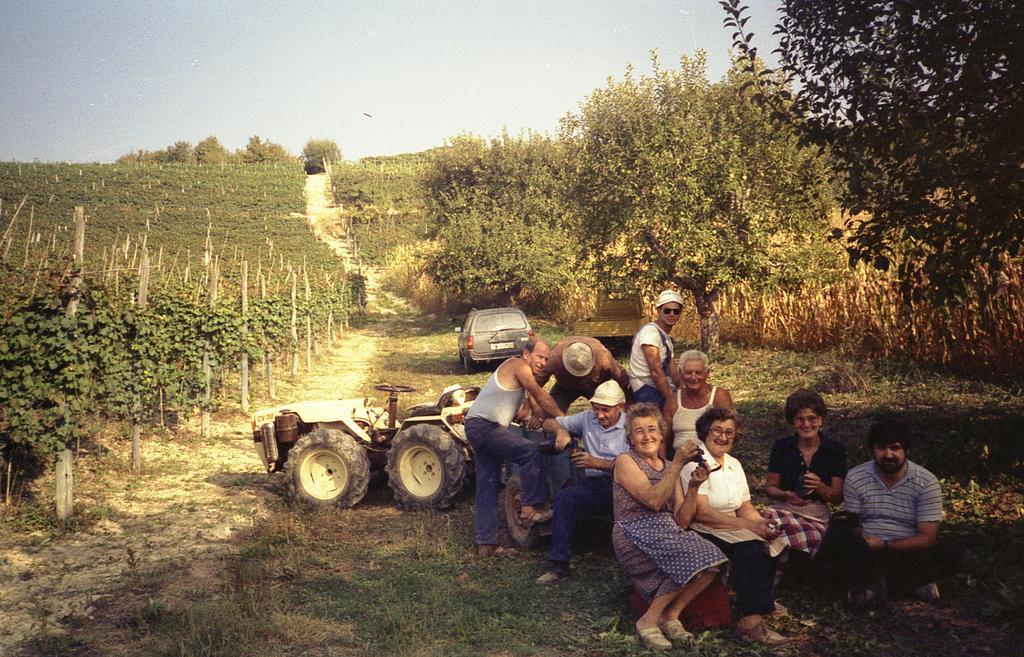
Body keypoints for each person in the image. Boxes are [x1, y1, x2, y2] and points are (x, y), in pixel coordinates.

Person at [612, 402, 726, 650]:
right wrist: (678, 464)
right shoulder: (625, 461)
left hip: (666, 532)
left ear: (661, 433)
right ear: (630, 438)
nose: (646, 436)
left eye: (651, 429)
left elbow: (682, 521)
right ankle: (647, 621)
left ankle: (670, 615)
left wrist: (694, 487)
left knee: (713, 562)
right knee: (688, 555)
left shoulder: (665, 466)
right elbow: (653, 501)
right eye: (638, 431)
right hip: (634, 531)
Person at [678, 408, 788, 646]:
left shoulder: (734, 464)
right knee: (750, 548)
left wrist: (761, 523)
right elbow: (703, 512)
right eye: (717, 430)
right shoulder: (696, 462)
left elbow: (744, 505)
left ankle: (762, 601)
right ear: (705, 432)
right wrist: (748, 526)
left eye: (729, 432)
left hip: (731, 523)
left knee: (774, 540)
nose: (723, 437)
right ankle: (750, 623)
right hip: (704, 526)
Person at [821, 416, 944, 607]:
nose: (888, 455)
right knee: (838, 532)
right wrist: (862, 544)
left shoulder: (926, 482)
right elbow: (854, 524)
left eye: (895, 448)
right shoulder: (856, 477)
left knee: (943, 553)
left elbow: (928, 537)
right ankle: (901, 585)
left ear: (906, 450)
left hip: (906, 549)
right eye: (881, 448)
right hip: (866, 549)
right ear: (873, 450)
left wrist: (885, 544)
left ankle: (874, 587)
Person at [464, 339, 565, 557]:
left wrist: (536, 415)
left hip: (477, 425)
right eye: (539, 356)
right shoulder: (517, 365)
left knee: (487, 486)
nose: (543, 363)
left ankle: (486, 544)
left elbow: (525, 411)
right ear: (526, 354)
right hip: (484, 426)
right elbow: (540, 394)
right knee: (529, 451)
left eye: (547, 359)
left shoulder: (517, 376)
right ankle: (530, 507)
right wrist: (565, 421)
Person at [534, 380, 630, 585]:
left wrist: (597, 463)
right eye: (596, 409)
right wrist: (561, 431)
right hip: (594, 486)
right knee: (564, 498)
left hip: (624, 485)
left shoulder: (631, 426)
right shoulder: (588, 419)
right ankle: (559, 565)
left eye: (606, 410)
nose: (600, 415)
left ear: (620, 407)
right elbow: (550, 422)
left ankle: (632, 564)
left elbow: (636, 469)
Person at [762, 389, 847, 557]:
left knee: (807, 539)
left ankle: (787, 576)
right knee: (767, 528)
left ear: (821, 420)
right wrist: (786, 494)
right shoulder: (782, 447)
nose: (806, 424)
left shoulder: (834, 449)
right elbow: (770, 487)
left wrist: (820, 486)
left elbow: (837, 498)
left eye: (812, 418)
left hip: (816, 516)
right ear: (793, 422)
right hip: (785, 510)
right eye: (800, 419)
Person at [628, 290, 685, 425]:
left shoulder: (666, 338)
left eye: (675, 311)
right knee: (667, 421)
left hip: (656, 386)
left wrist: (684, 388)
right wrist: (672, 401)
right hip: (645, 388)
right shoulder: (650, 333)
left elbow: (673, 370)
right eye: (667, 310)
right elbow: (656, 372)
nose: (671, 314)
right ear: (658, 311)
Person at [534, 336, 631, 415]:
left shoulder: (603, 358)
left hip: (596, 387)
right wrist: (536, 409)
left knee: (607, 415)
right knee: (549, 415)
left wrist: (629, 401)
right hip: (565, 387)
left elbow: (623, 379)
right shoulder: (554, 358)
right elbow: (534, 384)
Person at [671, 350, 734, 451]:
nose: (693, 377)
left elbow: (731, 433)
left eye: (698, 373)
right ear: (680, 373)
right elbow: (662, 439)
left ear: (707, 373)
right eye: (688, 372)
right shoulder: (673, 400)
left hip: (713, 460)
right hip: (680, 461)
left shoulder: (719, 396)